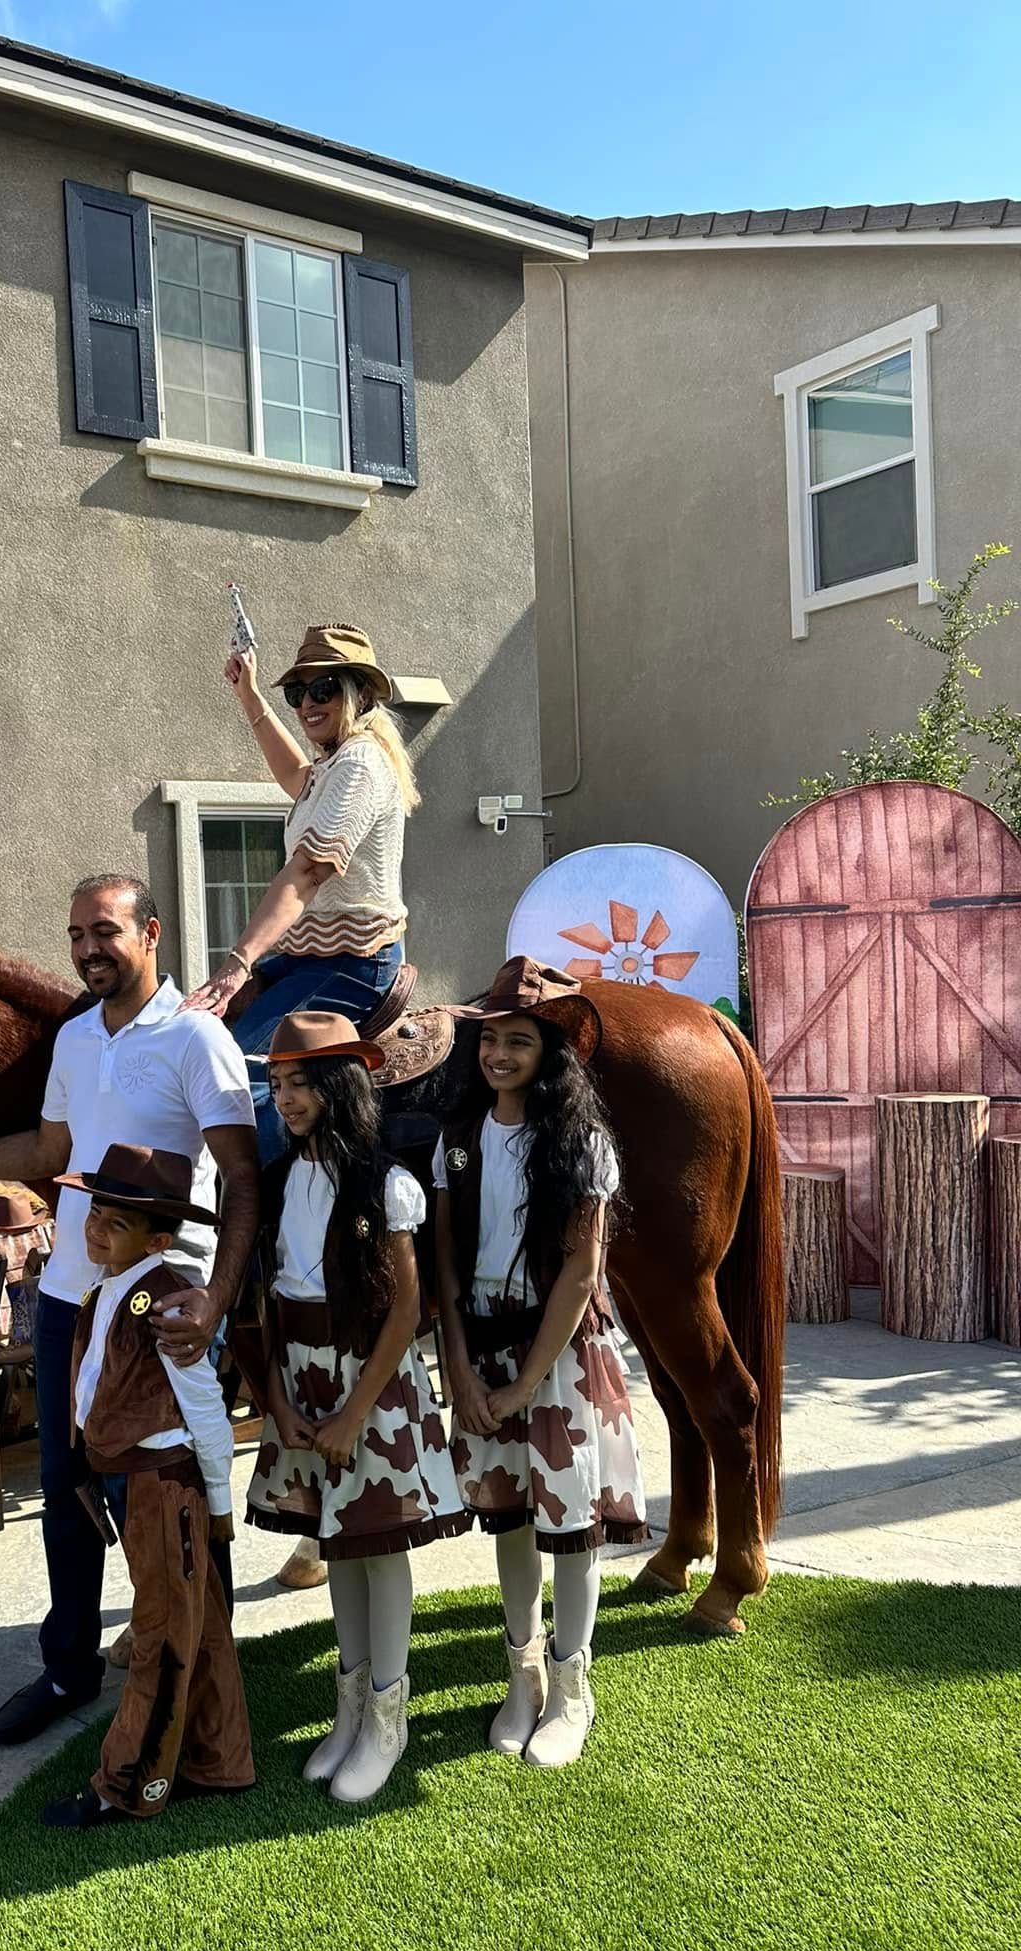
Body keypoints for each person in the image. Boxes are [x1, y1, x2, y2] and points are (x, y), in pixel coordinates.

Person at [0, 876, 258, 1745]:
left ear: (151, 932)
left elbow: (242, 1177)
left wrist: (216, 1299)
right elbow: (50, 1152)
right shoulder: (76, 1040)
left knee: (170, 1489)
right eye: (75, 933)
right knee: (67, 1485)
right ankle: (67, 1668)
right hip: (68, 1299)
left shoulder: (198, 1040)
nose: (88, 948)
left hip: (162, 1300)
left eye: (105, 931)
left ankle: (209, 1663)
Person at [244, 1012, 466, 1804]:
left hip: (368, 1382)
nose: (285, 1099)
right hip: (302, 1378)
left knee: (379, 1545)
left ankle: (388, 1718)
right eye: (275, 1086)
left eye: (300, 1083)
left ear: (340, 1085)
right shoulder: (274, 1182)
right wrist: (279, 1398)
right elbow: (268, 1300)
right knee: (334, 1544)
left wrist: (349, 1415)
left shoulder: (387, 1183)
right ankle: (348, 1710)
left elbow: (408, 1310)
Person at [433, 958, 648, 1770]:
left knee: (568, 1524)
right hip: (480, 1343)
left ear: (550, 1051)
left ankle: (571, 1688)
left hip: (555, 1352)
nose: (499, 1054)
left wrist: (527, 1382)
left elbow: (581, 1271)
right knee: (509, 1513)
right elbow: (447, 1264)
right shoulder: (457, 1141)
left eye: (519, 1040)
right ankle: (519, 1675)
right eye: (491, 1038)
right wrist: (459, 1367)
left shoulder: (581, 1144)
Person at [40, 1143, 255, 1829]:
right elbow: (90, 1384)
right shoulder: (107, 1290)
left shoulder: (166, 1302)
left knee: (161, 1630)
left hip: (163, 1486)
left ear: (158, 1238)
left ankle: (128, 1784)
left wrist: (218, 1506)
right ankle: (220, 1757)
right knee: (202, 1621)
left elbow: (206, 1413)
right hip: (128, 1483)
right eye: (95, 1211)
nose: (97, 1228)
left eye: (118, 1221)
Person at [180, 623, 420, 1166]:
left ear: (358, 693)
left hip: (354, 961)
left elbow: (308, 872)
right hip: (308, 957)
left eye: (323, 689)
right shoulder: (335, 765)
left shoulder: (360, 763)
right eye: (298, 693)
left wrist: (238, 963)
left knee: (245, 1068)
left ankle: (264, 1208)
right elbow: (295, 776)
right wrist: (251, 699)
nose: (307, 704)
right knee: (198, 1034)